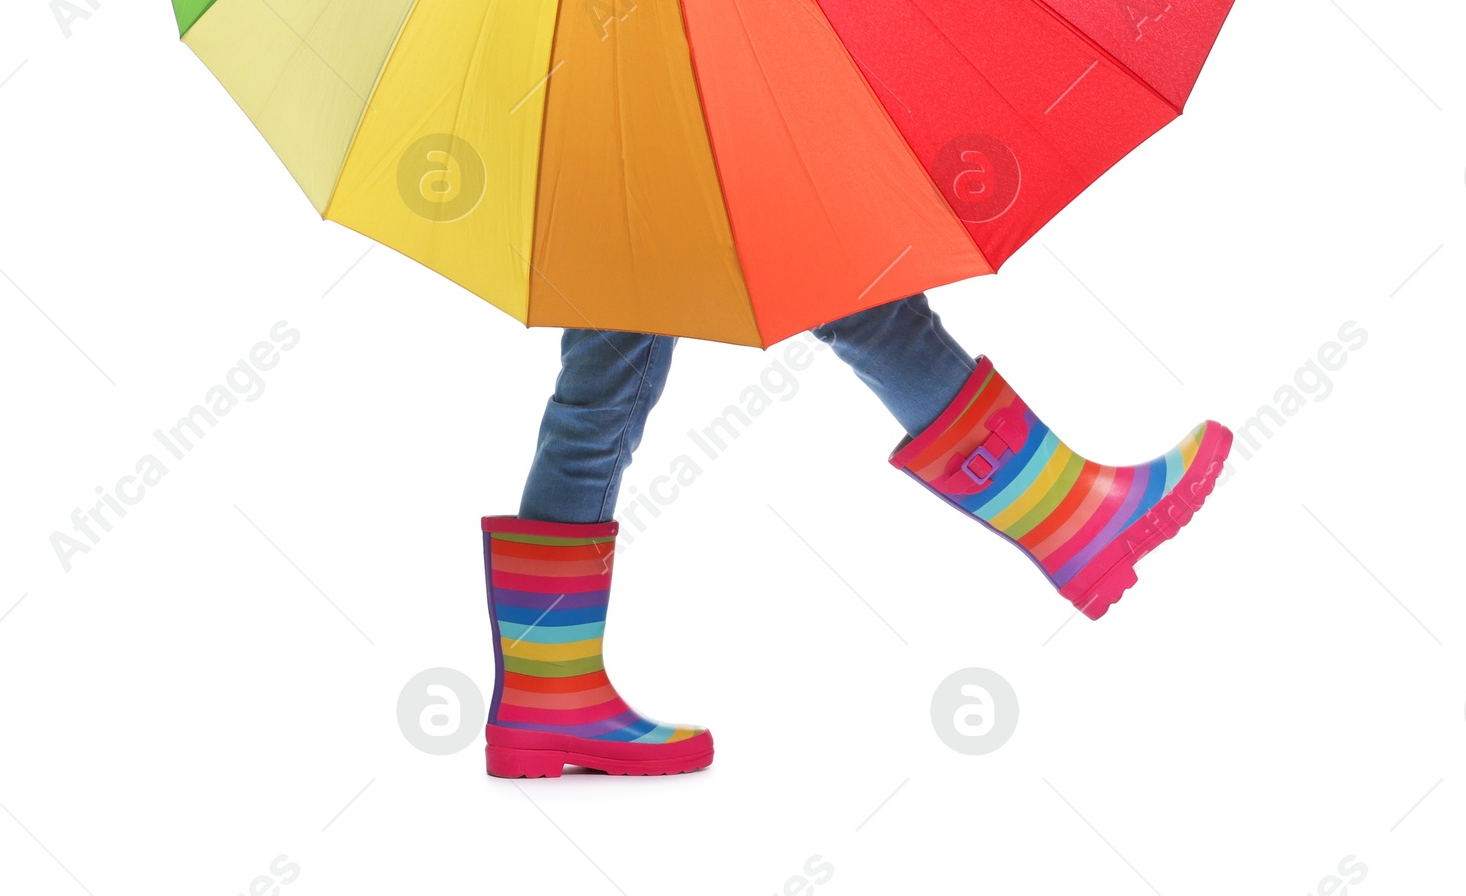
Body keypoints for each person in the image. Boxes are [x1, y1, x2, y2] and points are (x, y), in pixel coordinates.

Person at [480, 293, 1231, 778]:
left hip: (612, 128)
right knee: (852, 283)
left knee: (601, 391)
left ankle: (547, 693)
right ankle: (1072, 517)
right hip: (664, 122)